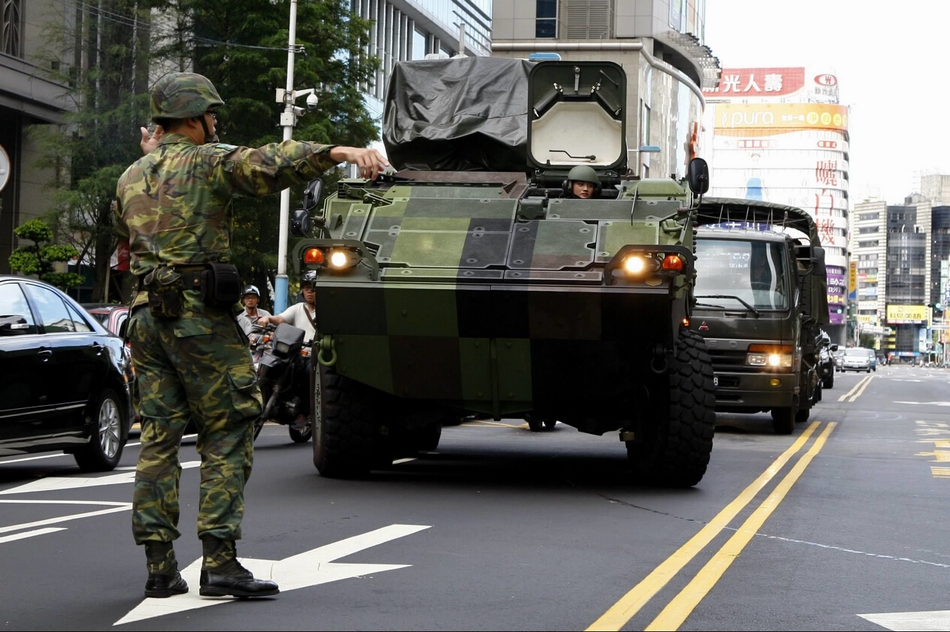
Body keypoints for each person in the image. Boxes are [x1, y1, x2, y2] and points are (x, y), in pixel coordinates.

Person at [114, 71, 389, 600]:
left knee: (158, 439)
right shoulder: (208, 160)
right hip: (198, 317)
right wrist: (341, 151)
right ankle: (219, 561)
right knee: (229, 428)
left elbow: (123, 231)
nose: (215, 124)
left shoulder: (131, 175)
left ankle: (158, 566)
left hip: (146, 318)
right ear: (193, 119)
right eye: (211, 116)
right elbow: (272, 161)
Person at [256, 270, 317, 343]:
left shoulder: (328, 310)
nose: (309, 291)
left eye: (313, 289)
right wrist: (268, 318)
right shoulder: (297, 308)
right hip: (301, 351)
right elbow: (280, 319)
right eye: (306, 288)